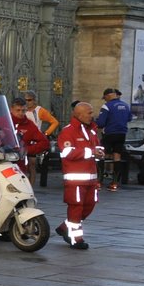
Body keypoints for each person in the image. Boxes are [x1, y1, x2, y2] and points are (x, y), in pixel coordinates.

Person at [0, 97, 50, 217]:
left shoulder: (29, 125)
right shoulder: (2, 121)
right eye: (18, 110)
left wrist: (27, 150)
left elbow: (44, 143)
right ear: (11, 110)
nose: (21, 113)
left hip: (17, 164)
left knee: (15, 192)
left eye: (23, 110)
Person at [55, 101, 101, 249]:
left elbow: (97, 145)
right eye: (89, 113)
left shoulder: (91, 130)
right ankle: (76, 239)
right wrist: (91, 152)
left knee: (89, 206)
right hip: (75, 179)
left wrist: (100, 152)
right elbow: (67, 153)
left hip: (91, 178)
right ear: (79, 114)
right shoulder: (68, 131)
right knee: (76, 209)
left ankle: (64, 227)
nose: (92, 115)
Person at [94, 87, 133, 191]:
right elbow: (129, 118)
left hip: (109, 134)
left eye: (105, 97)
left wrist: (96, 122)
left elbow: (101, 123)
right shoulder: (125, 105)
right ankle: (114, 183)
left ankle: (99, 181)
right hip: (122, 134)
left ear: (108, 96)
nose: (105, 99)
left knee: (101, 155)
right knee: (117, 156)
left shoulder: (107, 106)